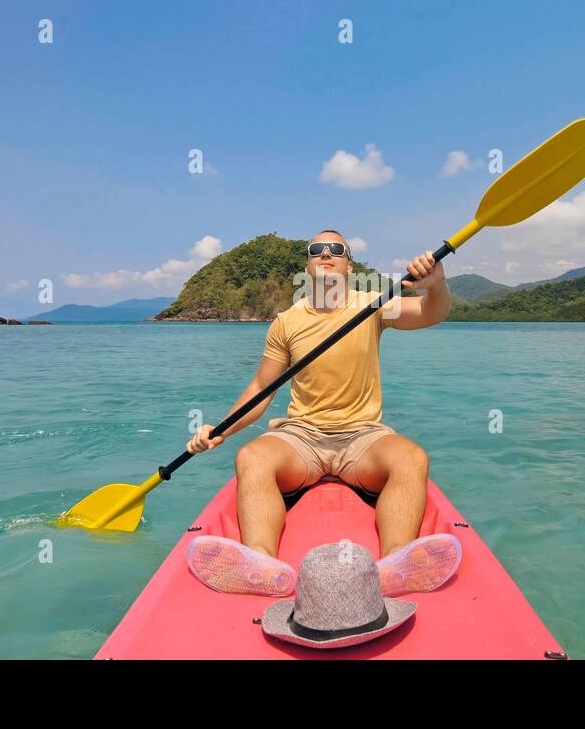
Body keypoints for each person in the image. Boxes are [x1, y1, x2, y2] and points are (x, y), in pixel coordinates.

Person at [184, 229, 462, 597]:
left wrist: (437, 285)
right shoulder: (286, 321)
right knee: (251, 457)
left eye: (336, 250)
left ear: (348, 265)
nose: (326, 254)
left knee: (412, 458)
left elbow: (430, 313)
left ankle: (396, 563)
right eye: (318, 250)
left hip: (362, 436)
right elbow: (260, 390)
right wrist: (220, 430)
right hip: (302, 436)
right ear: (307, 265)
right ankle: (260, 563)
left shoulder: (374, 304)